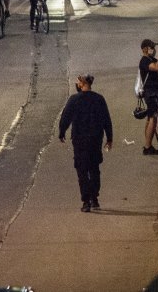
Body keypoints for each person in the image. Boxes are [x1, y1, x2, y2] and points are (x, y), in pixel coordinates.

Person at [58, 74, 113, 212]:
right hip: (95, 139)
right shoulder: (99, 99)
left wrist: (62, 132)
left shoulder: (74, 99)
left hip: (79, 139)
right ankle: (94, 198)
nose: (77, 84)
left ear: (82, 84)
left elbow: (65, 117)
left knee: (82, 170)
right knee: (94, 168)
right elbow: (106, 119)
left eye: (78, 82)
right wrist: (109, 138)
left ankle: (86, 201)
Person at [137, 39, 158, 156]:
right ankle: (148, 147)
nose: (154, 50)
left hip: (156, 92)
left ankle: (147, 144)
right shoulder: (144, 61)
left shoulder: (151, 59)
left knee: (150, 118)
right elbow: (156, 67)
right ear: (145, 49)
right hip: (151, 94)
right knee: (153, 118)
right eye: (152, 48)